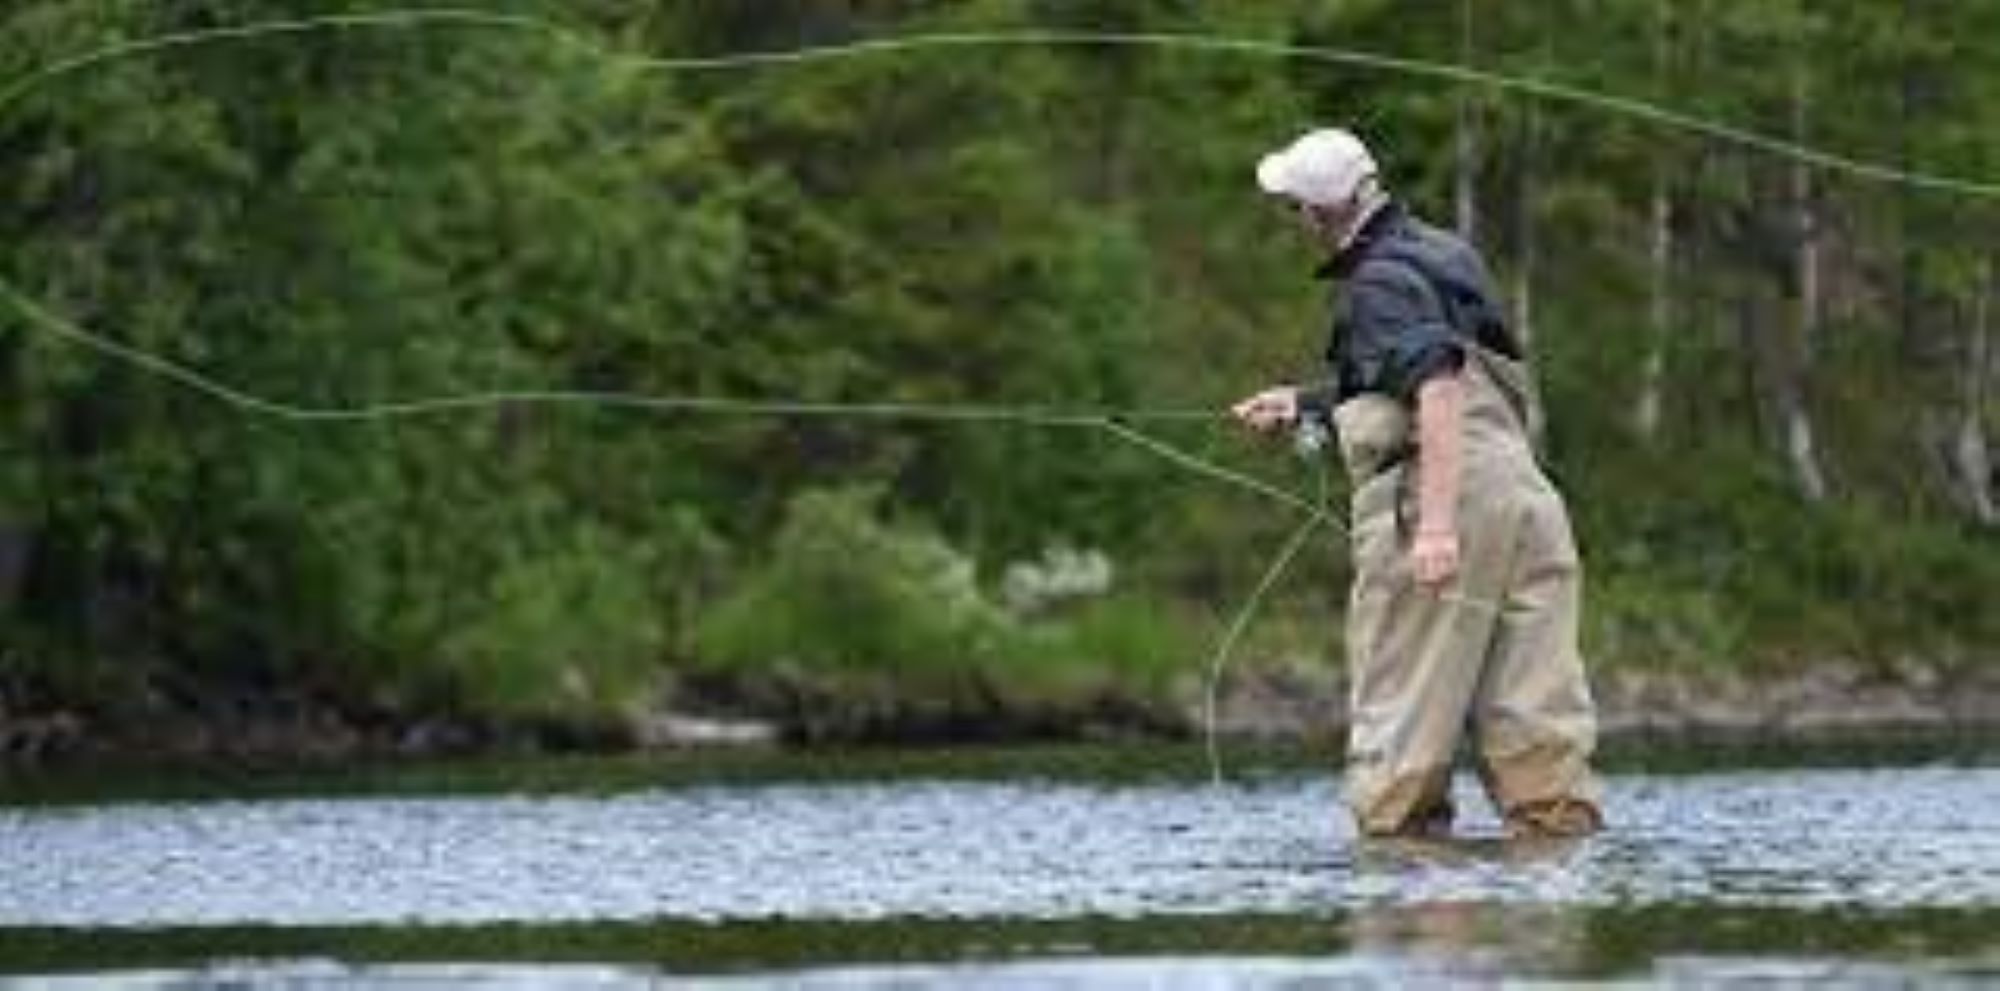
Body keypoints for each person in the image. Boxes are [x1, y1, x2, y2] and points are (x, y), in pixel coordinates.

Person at [1231, 127, 1604, 839]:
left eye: (1293, 208)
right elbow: (1432, 370)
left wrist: (1434, 528)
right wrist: (1308, 404)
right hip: (1525, 503)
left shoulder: (1376, 285)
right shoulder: (1443, 252)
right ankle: (1549, 910)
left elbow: (1436, 384)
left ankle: (1410, 923)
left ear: (1316, 213)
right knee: (1537, 722)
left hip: (1440, 499)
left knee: (1402, 726)